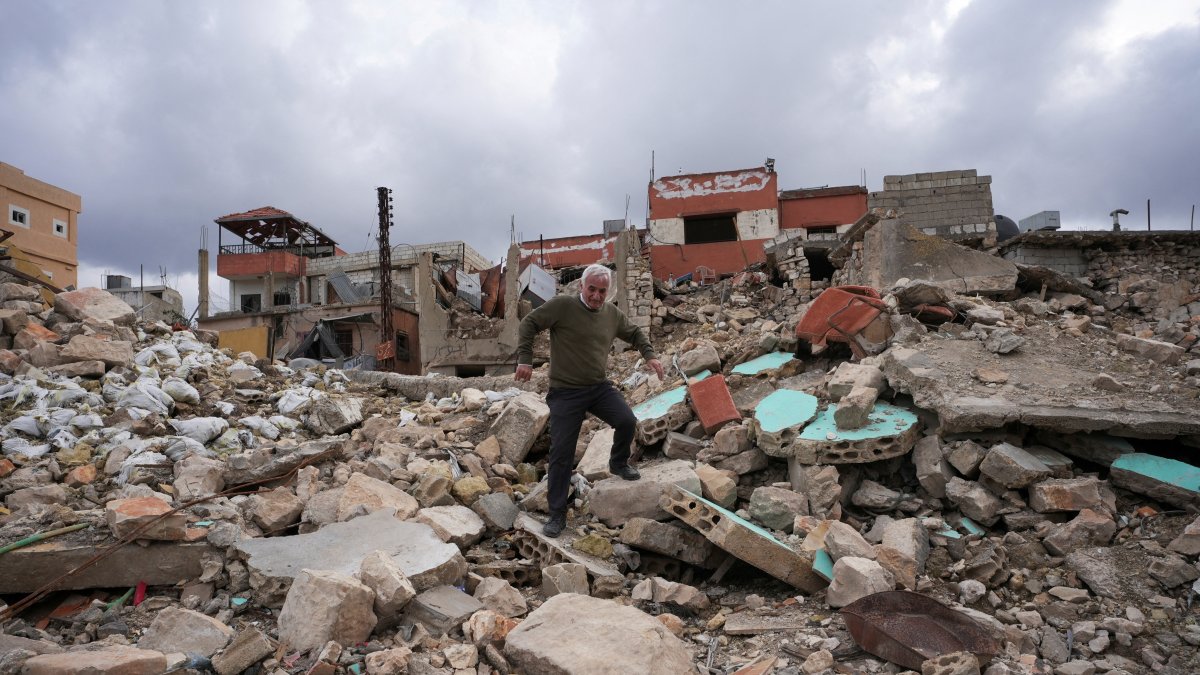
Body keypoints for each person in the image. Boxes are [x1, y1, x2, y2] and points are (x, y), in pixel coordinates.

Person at [515, 263, 665, 537]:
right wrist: (524, 359)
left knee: (627, 420)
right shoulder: (562, 306)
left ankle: (618, 463)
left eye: (602, 291)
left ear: (608, 292)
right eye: (592, 289)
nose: (596, 296)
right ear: (582, 286)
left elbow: (634, 333)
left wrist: (650, 355)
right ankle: (557, 515)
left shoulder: (611, 314)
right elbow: (529, 323)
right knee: (562, 453)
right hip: (565, 392)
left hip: (597, 387)